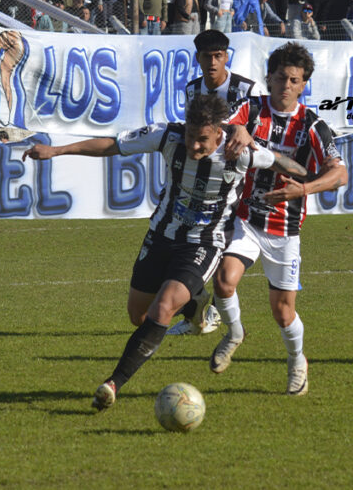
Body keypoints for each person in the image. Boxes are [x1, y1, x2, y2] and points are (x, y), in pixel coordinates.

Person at [21, 94, 308, 411]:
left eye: (202, 140)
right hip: (161, 235)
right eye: (190, 137)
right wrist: (57, 150)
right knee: (139, 316)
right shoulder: (167, 135)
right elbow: (112, 145)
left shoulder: (238, 151)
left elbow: (294, 167)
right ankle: (195, 305)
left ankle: (112, 384)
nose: (194, 146)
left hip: (204, 242)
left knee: (163, 308)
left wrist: (286, 170)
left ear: (218, 133)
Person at [209, 42, 347, 396]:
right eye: (281, 77)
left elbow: (339, 174)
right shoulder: (252, 109)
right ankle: (235, 333)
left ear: (303, 85)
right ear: (268, 79)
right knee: (224, 281)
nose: (286, 84)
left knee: (283, 313)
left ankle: (297, 359)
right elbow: (218, 123)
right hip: (247, 219)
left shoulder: (313, 125)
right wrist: (235, 129)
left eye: (294, 79)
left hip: (285, 231)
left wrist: (303, 190)